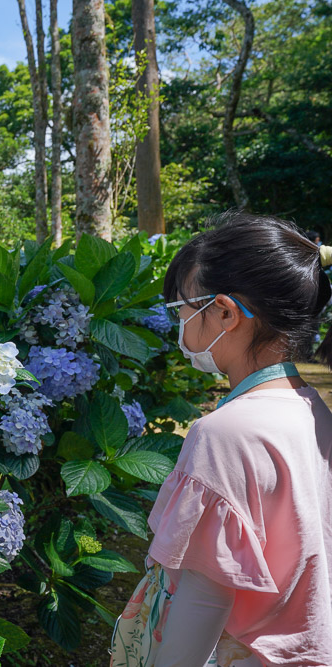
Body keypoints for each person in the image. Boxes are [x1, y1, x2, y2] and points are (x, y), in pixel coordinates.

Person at [110, 211, 332, 666]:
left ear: (225, 313)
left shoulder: (223, 434)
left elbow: (204, 599)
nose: (179, 324)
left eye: (182, 309)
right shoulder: (313, 410)